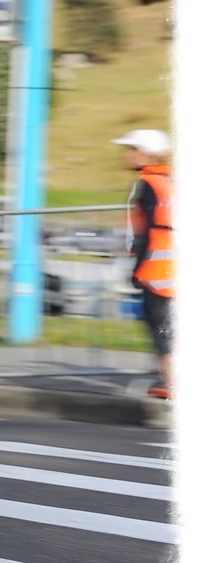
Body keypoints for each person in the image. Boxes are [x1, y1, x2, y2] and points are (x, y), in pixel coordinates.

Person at [113, 129, 174, 400]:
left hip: (158, 268)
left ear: (145, 152)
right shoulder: (171, 180)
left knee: (160, 326)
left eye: (132, 149)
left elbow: (147, 230)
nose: (128, 154)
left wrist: (138, 269)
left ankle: (173, 383)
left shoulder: (147, 184)